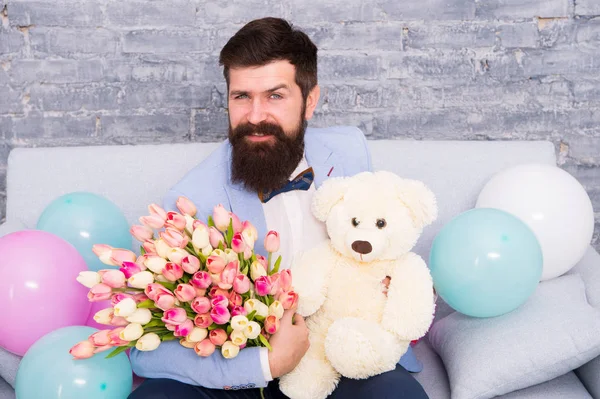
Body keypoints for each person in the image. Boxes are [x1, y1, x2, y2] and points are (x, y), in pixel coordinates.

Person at [129, 17, 429, 399]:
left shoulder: (351, 151)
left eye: (275, 95)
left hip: (340, 357)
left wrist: (390, 284)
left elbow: (387, 238)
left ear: (310, 100)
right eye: (241, 97)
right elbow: (144, 353)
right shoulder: (189, 202)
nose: (255, 116)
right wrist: (263, 365)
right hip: (242, 371)